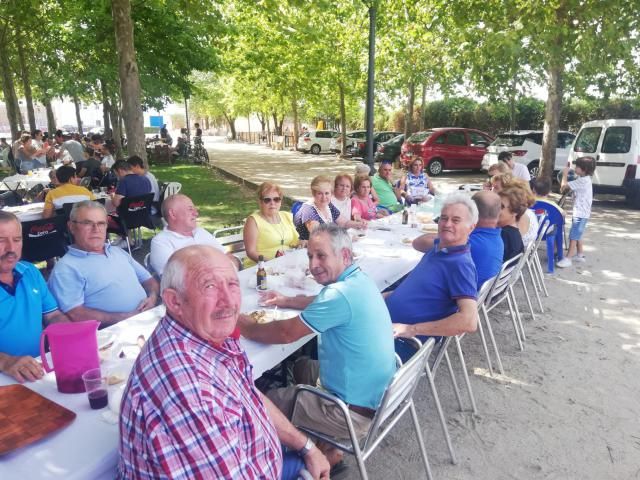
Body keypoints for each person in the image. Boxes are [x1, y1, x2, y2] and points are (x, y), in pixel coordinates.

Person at [117, 245, 330, 480]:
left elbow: (247, 394)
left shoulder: (209, 334)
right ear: (175, 302)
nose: (228, 301)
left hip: (259, 458)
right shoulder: (189, 391)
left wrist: (306, 446)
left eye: (232, 284)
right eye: (209, 286)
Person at [240, 224, 396, 467]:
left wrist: (243, 324)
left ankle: (311, 456)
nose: (313, 265)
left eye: (321, 255)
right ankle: (326, 444)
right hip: (374, 396)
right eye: (310, 255)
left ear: (344, 255)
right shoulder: (357, 280)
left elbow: (285, 332)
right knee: (302, 366)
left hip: (348, 414)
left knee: (264, 401)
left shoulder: (339, 295)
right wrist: (287, 300)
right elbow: (322, 300)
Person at [386, 193, 479, 362]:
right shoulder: (440, 249)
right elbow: (417, 244)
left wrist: (411, 329)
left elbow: (469, 321)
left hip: (401, 342)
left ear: (471, 227)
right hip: (385, 324)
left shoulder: (460, 264)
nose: (447, 224)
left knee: (328, 336)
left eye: (456, 220)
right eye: (443, 218)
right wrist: (384, 296)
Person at [48, 201, 160, 327]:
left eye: (101, 223)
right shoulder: (66, 268)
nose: (96, 229)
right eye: (87, 223)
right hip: (114, 333)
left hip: (148, 318)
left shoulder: (117, 252)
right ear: (72, 227)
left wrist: (153, 297)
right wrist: (124, 318)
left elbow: (149, 280)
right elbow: (75, 314)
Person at [0, 212, 69, 383]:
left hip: (39, 371)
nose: (11, 248)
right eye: (1, 240)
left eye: (17, 240)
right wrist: (6, 361)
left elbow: (53, 315)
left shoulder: (29, 271)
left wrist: (74, 337)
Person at [413, 190, 504, 290]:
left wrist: (447, 231)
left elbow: (419, 243)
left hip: (454, 299)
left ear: (474, 213)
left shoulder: (468, 243)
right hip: (477, 295)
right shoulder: (496, 237)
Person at [150, 194, 240, 275]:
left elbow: (227, 256)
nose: (196, 213)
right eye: (190, 209)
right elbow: (171, 279)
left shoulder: (200, 232)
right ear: (173, 214)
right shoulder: (161, 242)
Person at [243, 182, 301, 267]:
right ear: (260, 202)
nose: (272, 203)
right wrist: (272, 263)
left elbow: (297, 242)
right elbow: (251, 252)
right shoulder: (253, 221)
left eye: (276, 199)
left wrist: (303, 241)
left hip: (287, 265)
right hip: (261, 268)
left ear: (280, 201)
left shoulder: (287, 216)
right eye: (267, 200)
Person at [294, 175, 365, 240]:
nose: (324, 197)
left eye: (327, 193)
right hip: (305, 250)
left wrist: (359, 224)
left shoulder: (328, 205)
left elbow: (344, 222)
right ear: (313, 193)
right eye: (320, 193)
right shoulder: (308, 210)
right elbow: (318, 235)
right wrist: (346, 237)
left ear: (331, 193)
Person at [557, 156, 595, 268]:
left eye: (577, 167)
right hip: (583, 212)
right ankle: (580, 255)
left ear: (584, 169)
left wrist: (564, 174)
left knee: (573, 236)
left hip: (580, 213)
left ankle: (568, 258)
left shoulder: (582, 181)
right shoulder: (585, 179)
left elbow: (563, 187)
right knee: (578, 233)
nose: (575, 168)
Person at [497, 186, 526, 262]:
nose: (495, 208)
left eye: (501, 206)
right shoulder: (514, 233)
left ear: (514, 212)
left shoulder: (503, 235)